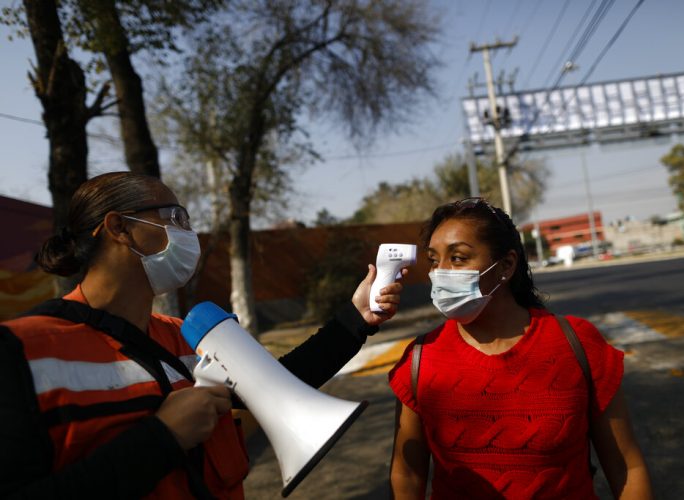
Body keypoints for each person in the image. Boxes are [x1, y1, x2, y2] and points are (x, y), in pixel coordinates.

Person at [0, 171, 405, 499]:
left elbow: (278, 387)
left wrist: (356, 319)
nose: (188, 233)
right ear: (119, 228)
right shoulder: (24, 351)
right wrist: (162, 438)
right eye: (174, 218)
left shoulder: (183, 336)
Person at [388, 198, 652, 499]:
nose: (441, 272)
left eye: (459, 258)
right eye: (434, 260)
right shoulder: (421, 358)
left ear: (506, 265)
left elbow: (626, 468)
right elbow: (407, 474)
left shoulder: (577, 342)